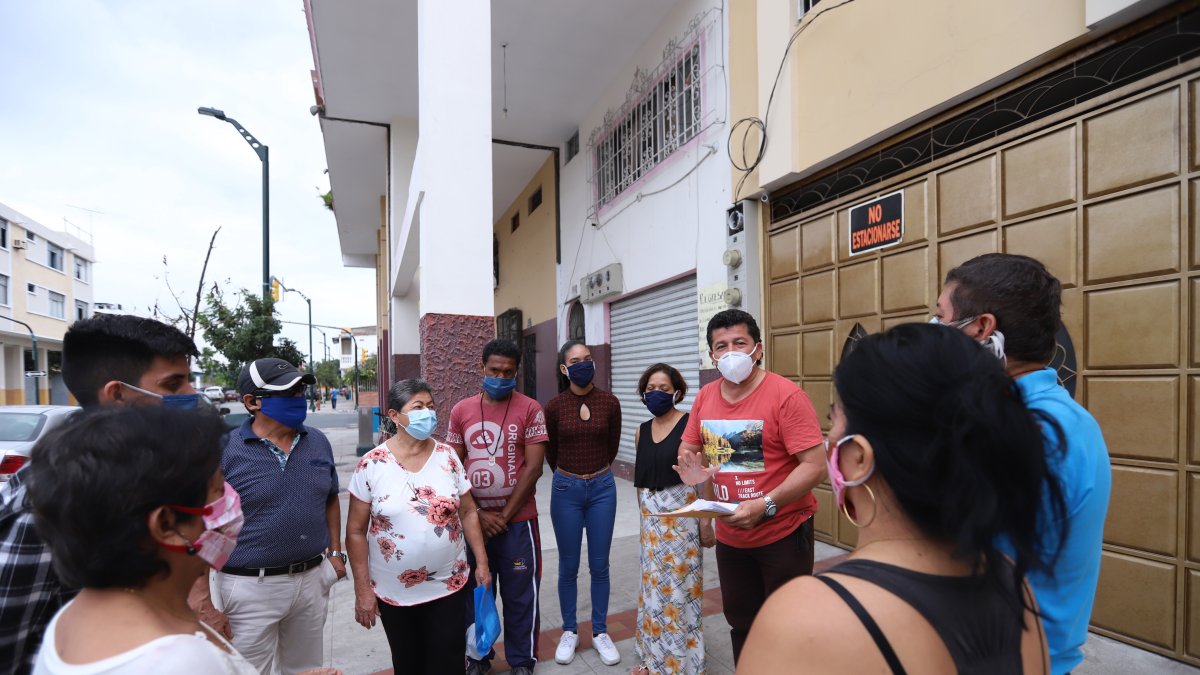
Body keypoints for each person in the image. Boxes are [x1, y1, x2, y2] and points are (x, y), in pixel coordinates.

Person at [739, 323, 1063, 673]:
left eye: (834, 420)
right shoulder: (1013, 583)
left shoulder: (804, 617)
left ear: (859, 458)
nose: (827, 440)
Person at [27, 406, 336, 675]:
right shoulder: (182, 661)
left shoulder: (75, 616)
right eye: (218, 491)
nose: (232, 504)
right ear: (166, 524)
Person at [935, 253, 1111, 675]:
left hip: (1006, 657)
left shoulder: (1028, 429)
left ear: (981, 329)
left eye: (940, 318)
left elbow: (953, 554)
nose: (935, 333)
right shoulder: (1061, 416)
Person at [0, 314, 200, 675]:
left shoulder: (147, 476)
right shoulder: (45, 506)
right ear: (118, 394)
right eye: (173, 385)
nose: (192, 395)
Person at [673, 309, 825, 665]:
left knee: (788, 626)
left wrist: (766, 504)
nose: (730, 352)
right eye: (720, 346)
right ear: (711, 355)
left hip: (783, 532)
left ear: (757, 348)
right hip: (732, 537)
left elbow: (815, 467)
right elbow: (691, 449)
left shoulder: (786, 396)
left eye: (739, 343)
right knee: (742, 623)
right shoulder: (705, 397)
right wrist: (703, 505)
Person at [193, 358, 345, 675]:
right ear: (252, 402)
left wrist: (335, 552)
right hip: (247, 587)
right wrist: (204, 601)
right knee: (247, 671)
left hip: (311, 580)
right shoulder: (224, 449)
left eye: (301, 389)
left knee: (307, 670)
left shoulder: (317, 441)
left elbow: (330, 497)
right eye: (287, 391)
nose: (298, 397)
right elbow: (201, 525)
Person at [347, 379, 490, 674]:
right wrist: (362, 589)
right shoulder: (371, 465)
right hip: (395, 591)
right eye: (418, 407)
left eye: (431, 406)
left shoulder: (448, 456)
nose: (428, 413)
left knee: (449, 662)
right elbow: (355, 531)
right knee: (408, 663)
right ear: (394, 415)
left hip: (449, 584)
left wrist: (483, 563)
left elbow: (468, 511)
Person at [446, 339, 547, 675]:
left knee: (520, 596)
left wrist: (502, 517)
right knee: (476, 594)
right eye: (494, 370)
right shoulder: (461, 410)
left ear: (516, 372)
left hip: (518, 523)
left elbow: (534, 468)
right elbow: (453, 467)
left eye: (508, 372)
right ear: (482, 368)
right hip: (473, 523)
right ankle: (477, 656)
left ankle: (522, 661)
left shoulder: (530, 408)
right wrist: (476, 513)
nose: (501, 377)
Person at [544, 340, 622, 666]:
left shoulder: (609, 402)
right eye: (574, 360)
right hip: (566, 490)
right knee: (569, 565)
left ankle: (601, 631)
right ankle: (569, 631)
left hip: (603, 487)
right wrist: (569, 477)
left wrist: (594, 473)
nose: (582, 364)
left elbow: (612, 444)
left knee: (600, 564)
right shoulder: (554, 406)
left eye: (587, 358)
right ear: (564, 368)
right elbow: (551, 451)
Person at [631, 363, 709, 675]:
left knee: (680, 587)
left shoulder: (691, 426)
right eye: (650, 389)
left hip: (682, 514)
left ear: (677, 391)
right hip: (651, 516)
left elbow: (705, 474)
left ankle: (681, 663)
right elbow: (641, 480)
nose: (656, 394)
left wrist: (706, 521)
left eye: (663, 388)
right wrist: (644, 516)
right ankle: (652, 657)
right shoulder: (641, 430)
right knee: (652, 587)